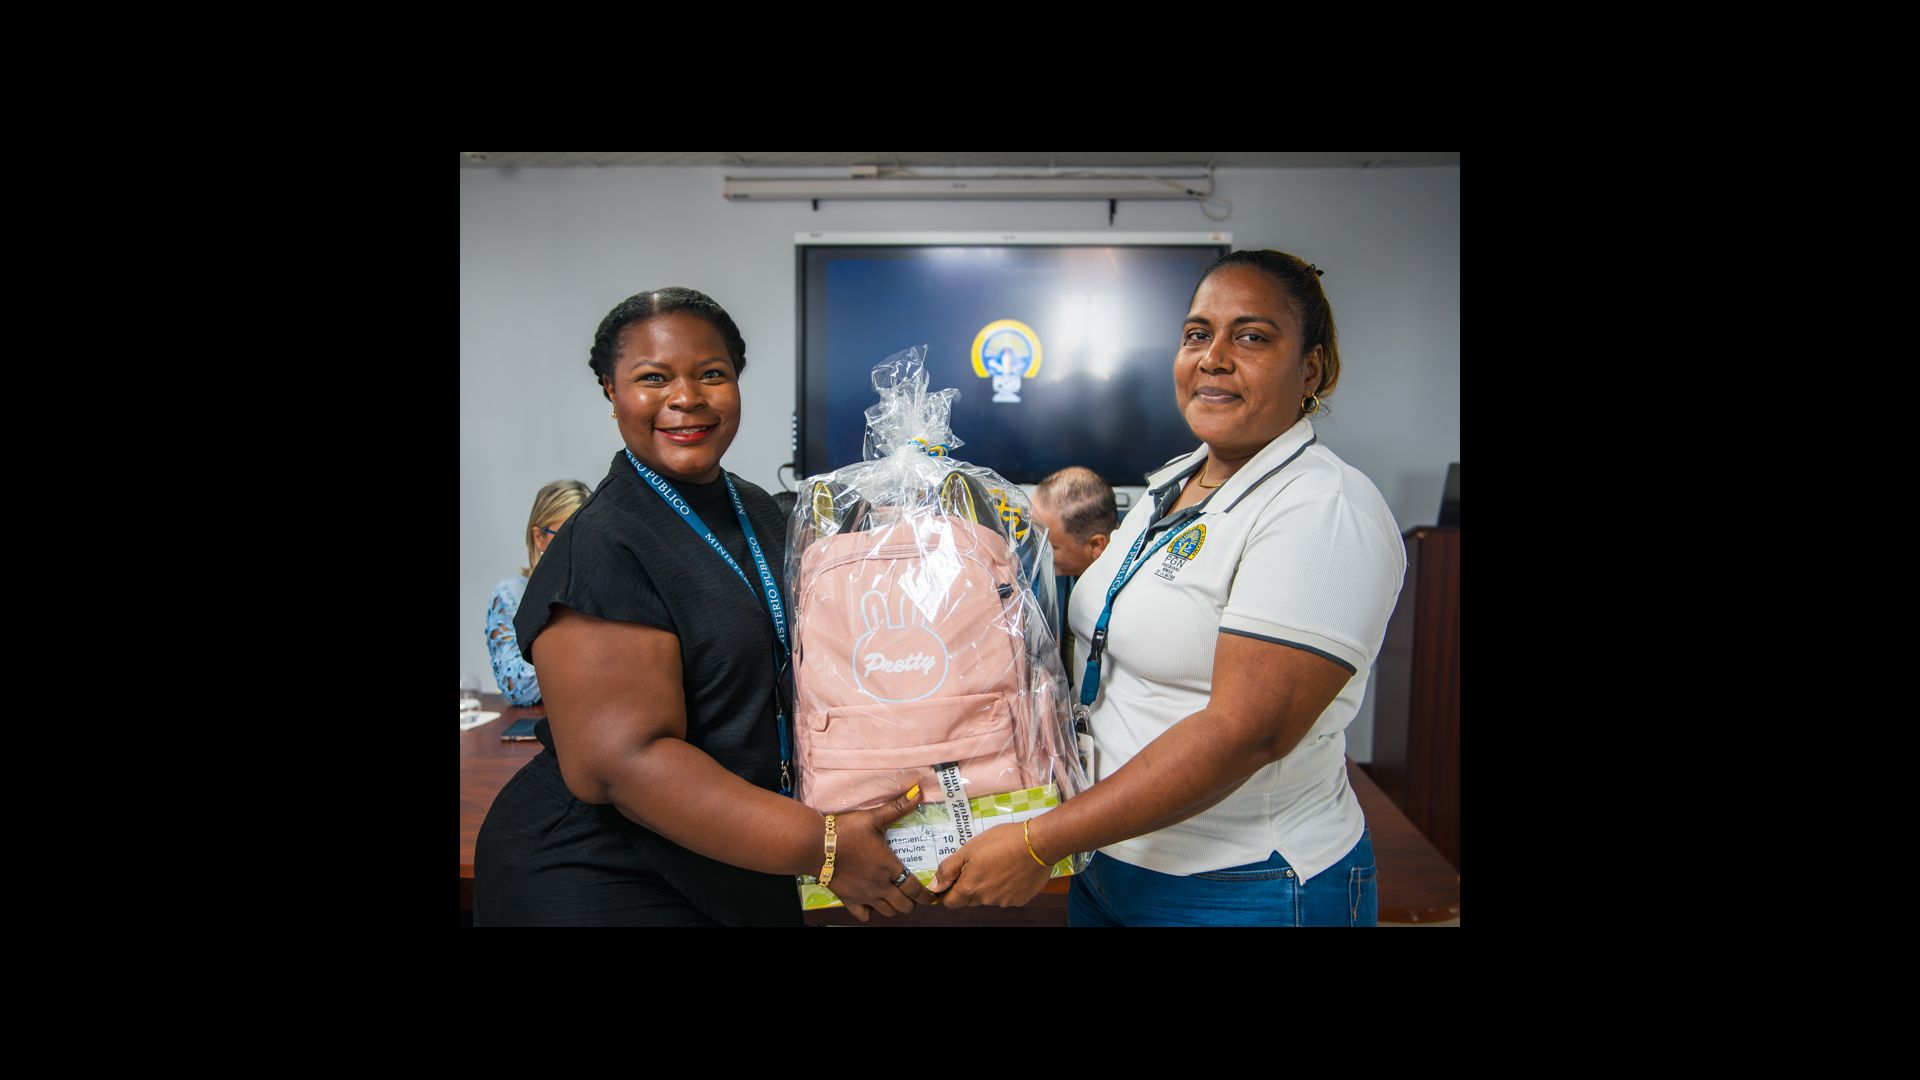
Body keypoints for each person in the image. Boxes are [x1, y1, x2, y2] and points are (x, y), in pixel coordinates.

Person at [930, 250, 1407, 926]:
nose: (1213, 358)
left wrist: (1038, 842)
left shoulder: (1324, 508)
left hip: (1245, 884)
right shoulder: (1172, 483)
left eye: (1251, 336)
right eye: (1196, 334)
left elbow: (1245, 733)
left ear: (1311, 369)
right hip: (1109, 858)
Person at [474, 287, 933, 926]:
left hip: (739, 862)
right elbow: (624, 766)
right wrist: (824, 847)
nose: (686, 397)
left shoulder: (760, 511)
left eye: (711, 374)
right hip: (608, 877)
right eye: (653, 378)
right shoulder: (603, 542)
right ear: (611, 391)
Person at [486, 479, 591, 706]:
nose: (578, 546)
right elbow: (518, 688)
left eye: (587, 535)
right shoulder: (511, 594)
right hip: (537, 720)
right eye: (566, 535)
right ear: (539, 537)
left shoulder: (606, 588)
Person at [1030, 466, 1116, 670]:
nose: (1036, 554)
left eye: (1050, 547)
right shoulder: (1051, 573)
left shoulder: (1128, 600)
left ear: (1095, 545)